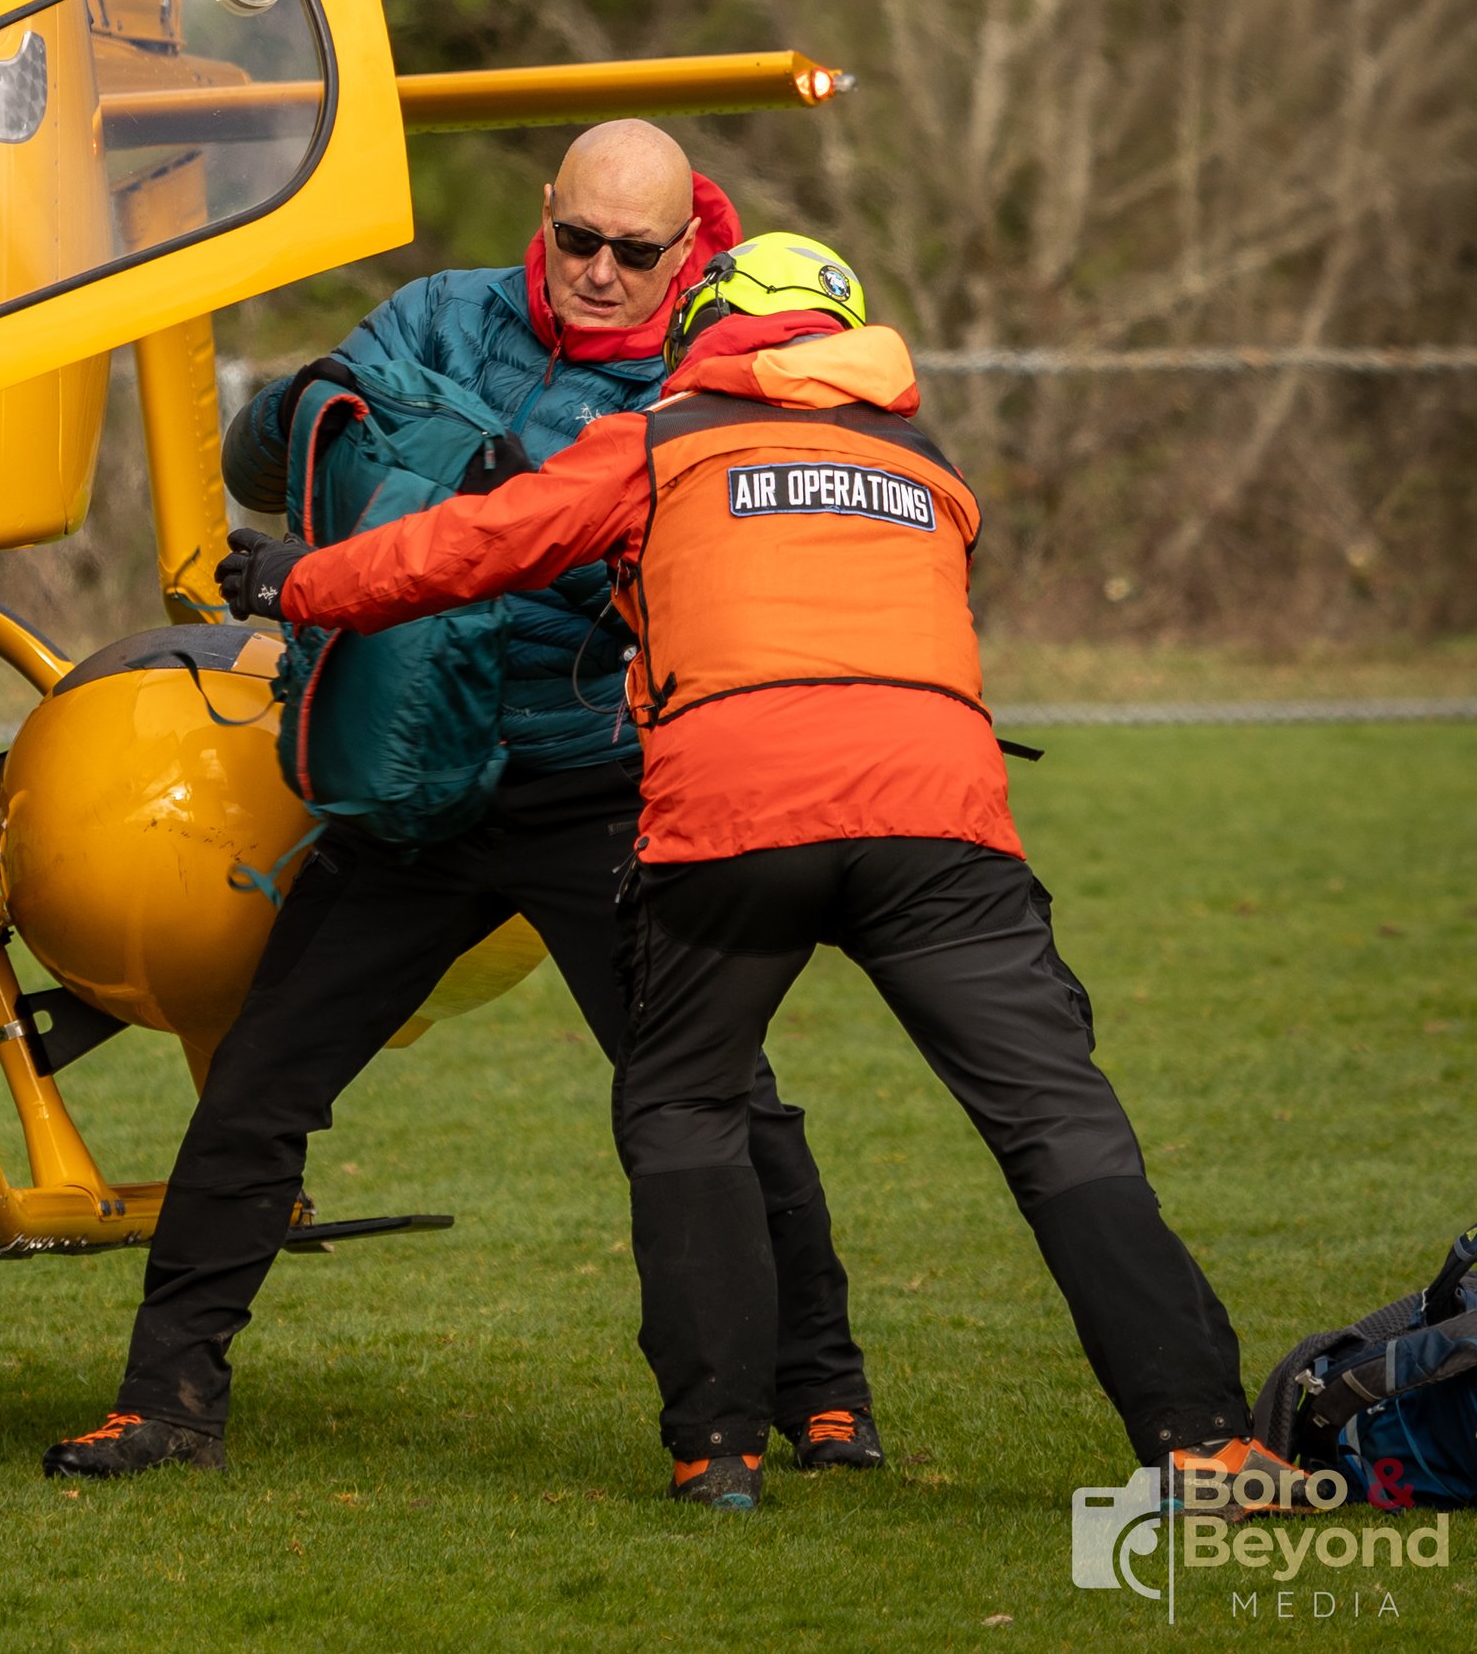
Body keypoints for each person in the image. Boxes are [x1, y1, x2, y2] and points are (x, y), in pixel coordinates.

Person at [213, 230, 1291, 1510]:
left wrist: (300, 581)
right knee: (1057, 1126)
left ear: (708, 324)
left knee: (683, 1107)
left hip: (735, 812)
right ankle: (1202, 1439)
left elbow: (472, 546)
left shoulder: (663, 437)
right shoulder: (932, 469)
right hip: (938, 817)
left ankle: (716, 1448)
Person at [43, 126, 879, 1483]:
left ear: (689, 249)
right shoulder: (439, 310)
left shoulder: (716, 370)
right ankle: (166, 1401)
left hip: (601, 781)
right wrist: (310, 412)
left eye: (636, 251)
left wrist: (445, 492)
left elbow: (635, 554)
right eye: (578, 240)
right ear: (546, 214)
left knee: (717, 1096)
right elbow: (274, 470)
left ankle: (825, 1392)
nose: (601, 271)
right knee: (260, 1082)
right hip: (411, 780)